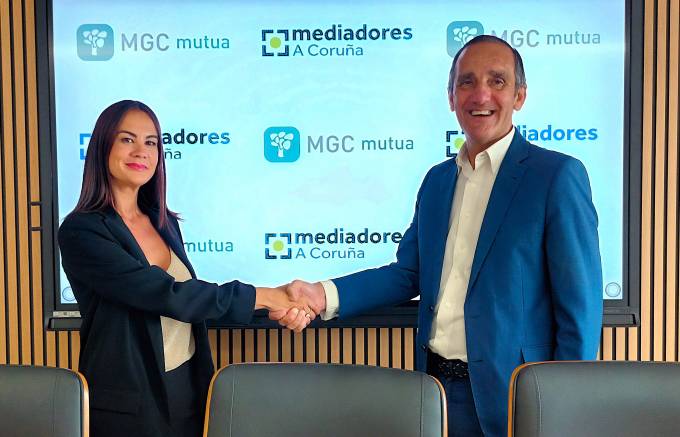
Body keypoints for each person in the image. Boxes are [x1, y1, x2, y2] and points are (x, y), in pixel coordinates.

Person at [273, 35, 603, 437]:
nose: (480, 94)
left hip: (516, 401)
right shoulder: (437, 180)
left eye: (497, 81)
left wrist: (562, 408)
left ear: (520, 95)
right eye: (467, 82)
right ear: (451, 97)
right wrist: (322, 295)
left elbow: (580, 309)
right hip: (435, 393)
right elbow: (407, 274)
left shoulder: (556, 177)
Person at [58, 100, 312, 437]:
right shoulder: (82, 231)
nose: (141, 151)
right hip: (129, 404)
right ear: (103, 147)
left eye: (151, 142)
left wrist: (276, 305)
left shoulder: (164, 222)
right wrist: (264, 296)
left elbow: (192, 303)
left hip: (189, 388)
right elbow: (165, 294)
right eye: (127, 139)